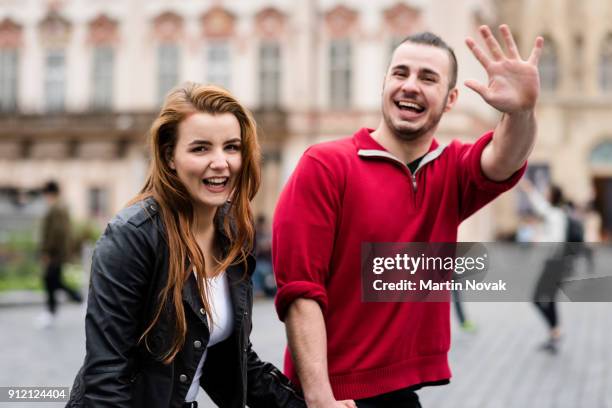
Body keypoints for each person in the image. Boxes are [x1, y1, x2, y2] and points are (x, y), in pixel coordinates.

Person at [272, 25, 543, 407]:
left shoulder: (449, 170)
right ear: (384, 84)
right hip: (330, 397)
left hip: (401, 396)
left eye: (427, 78)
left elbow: (504, 158)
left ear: (450, 100)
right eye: (400, 73)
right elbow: (300, 291)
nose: (410, 85)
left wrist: (522, 111)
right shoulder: (326, 165)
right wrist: (320, 398)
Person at [67, 83, 305, 408]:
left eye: (232, 147)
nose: (221, 162)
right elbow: (106, 380)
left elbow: (233, 361)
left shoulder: (232, 235)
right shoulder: (131, 237)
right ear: (170, 157)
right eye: (201, 148)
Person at [38, 180, 82, 328]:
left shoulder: (56, 208)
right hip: (58, 253)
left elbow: (56, 233)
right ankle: (54, 310)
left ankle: (54, 310)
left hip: (55, 254)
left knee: (51, 280)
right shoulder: (60, 207)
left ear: (49, 193)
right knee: (53, 281)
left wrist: (47, 252)